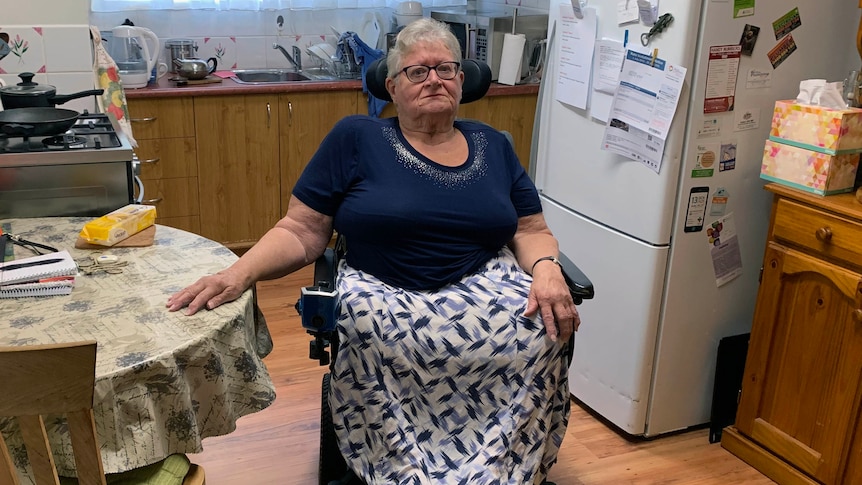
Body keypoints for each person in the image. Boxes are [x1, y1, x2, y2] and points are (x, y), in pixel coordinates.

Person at [167, 17, 581, 485]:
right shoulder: (357, 138)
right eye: (417, 72)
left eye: (445, 69)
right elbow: (302, 230)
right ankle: (399, 471)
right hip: (384, 286)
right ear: (392, 85)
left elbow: (529, 228)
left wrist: (546, 267)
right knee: (368, 332)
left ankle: (499, 469)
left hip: (482, 280)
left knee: (542, 327)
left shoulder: (493, 146)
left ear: (462, 81)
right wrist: (238, 274)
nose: (433, 80)